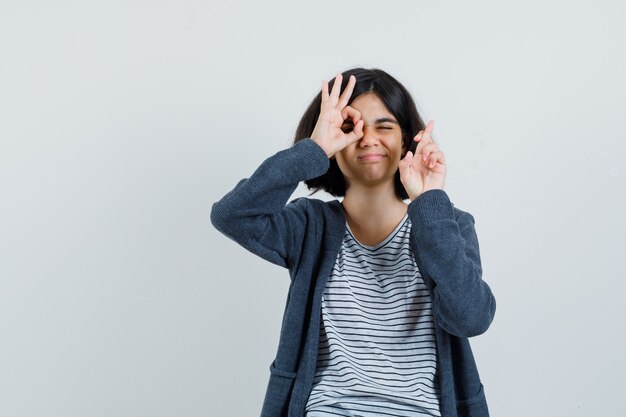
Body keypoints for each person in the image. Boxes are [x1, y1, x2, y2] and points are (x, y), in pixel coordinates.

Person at [211, 67, 496, 417]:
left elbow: (472, 318)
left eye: (385, 126)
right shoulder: (309, 226)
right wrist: (312, 149)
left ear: (408, 139)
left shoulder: (447, 224)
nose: (368, 138)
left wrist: (429, 203)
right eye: (350, 127)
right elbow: (233, 215)